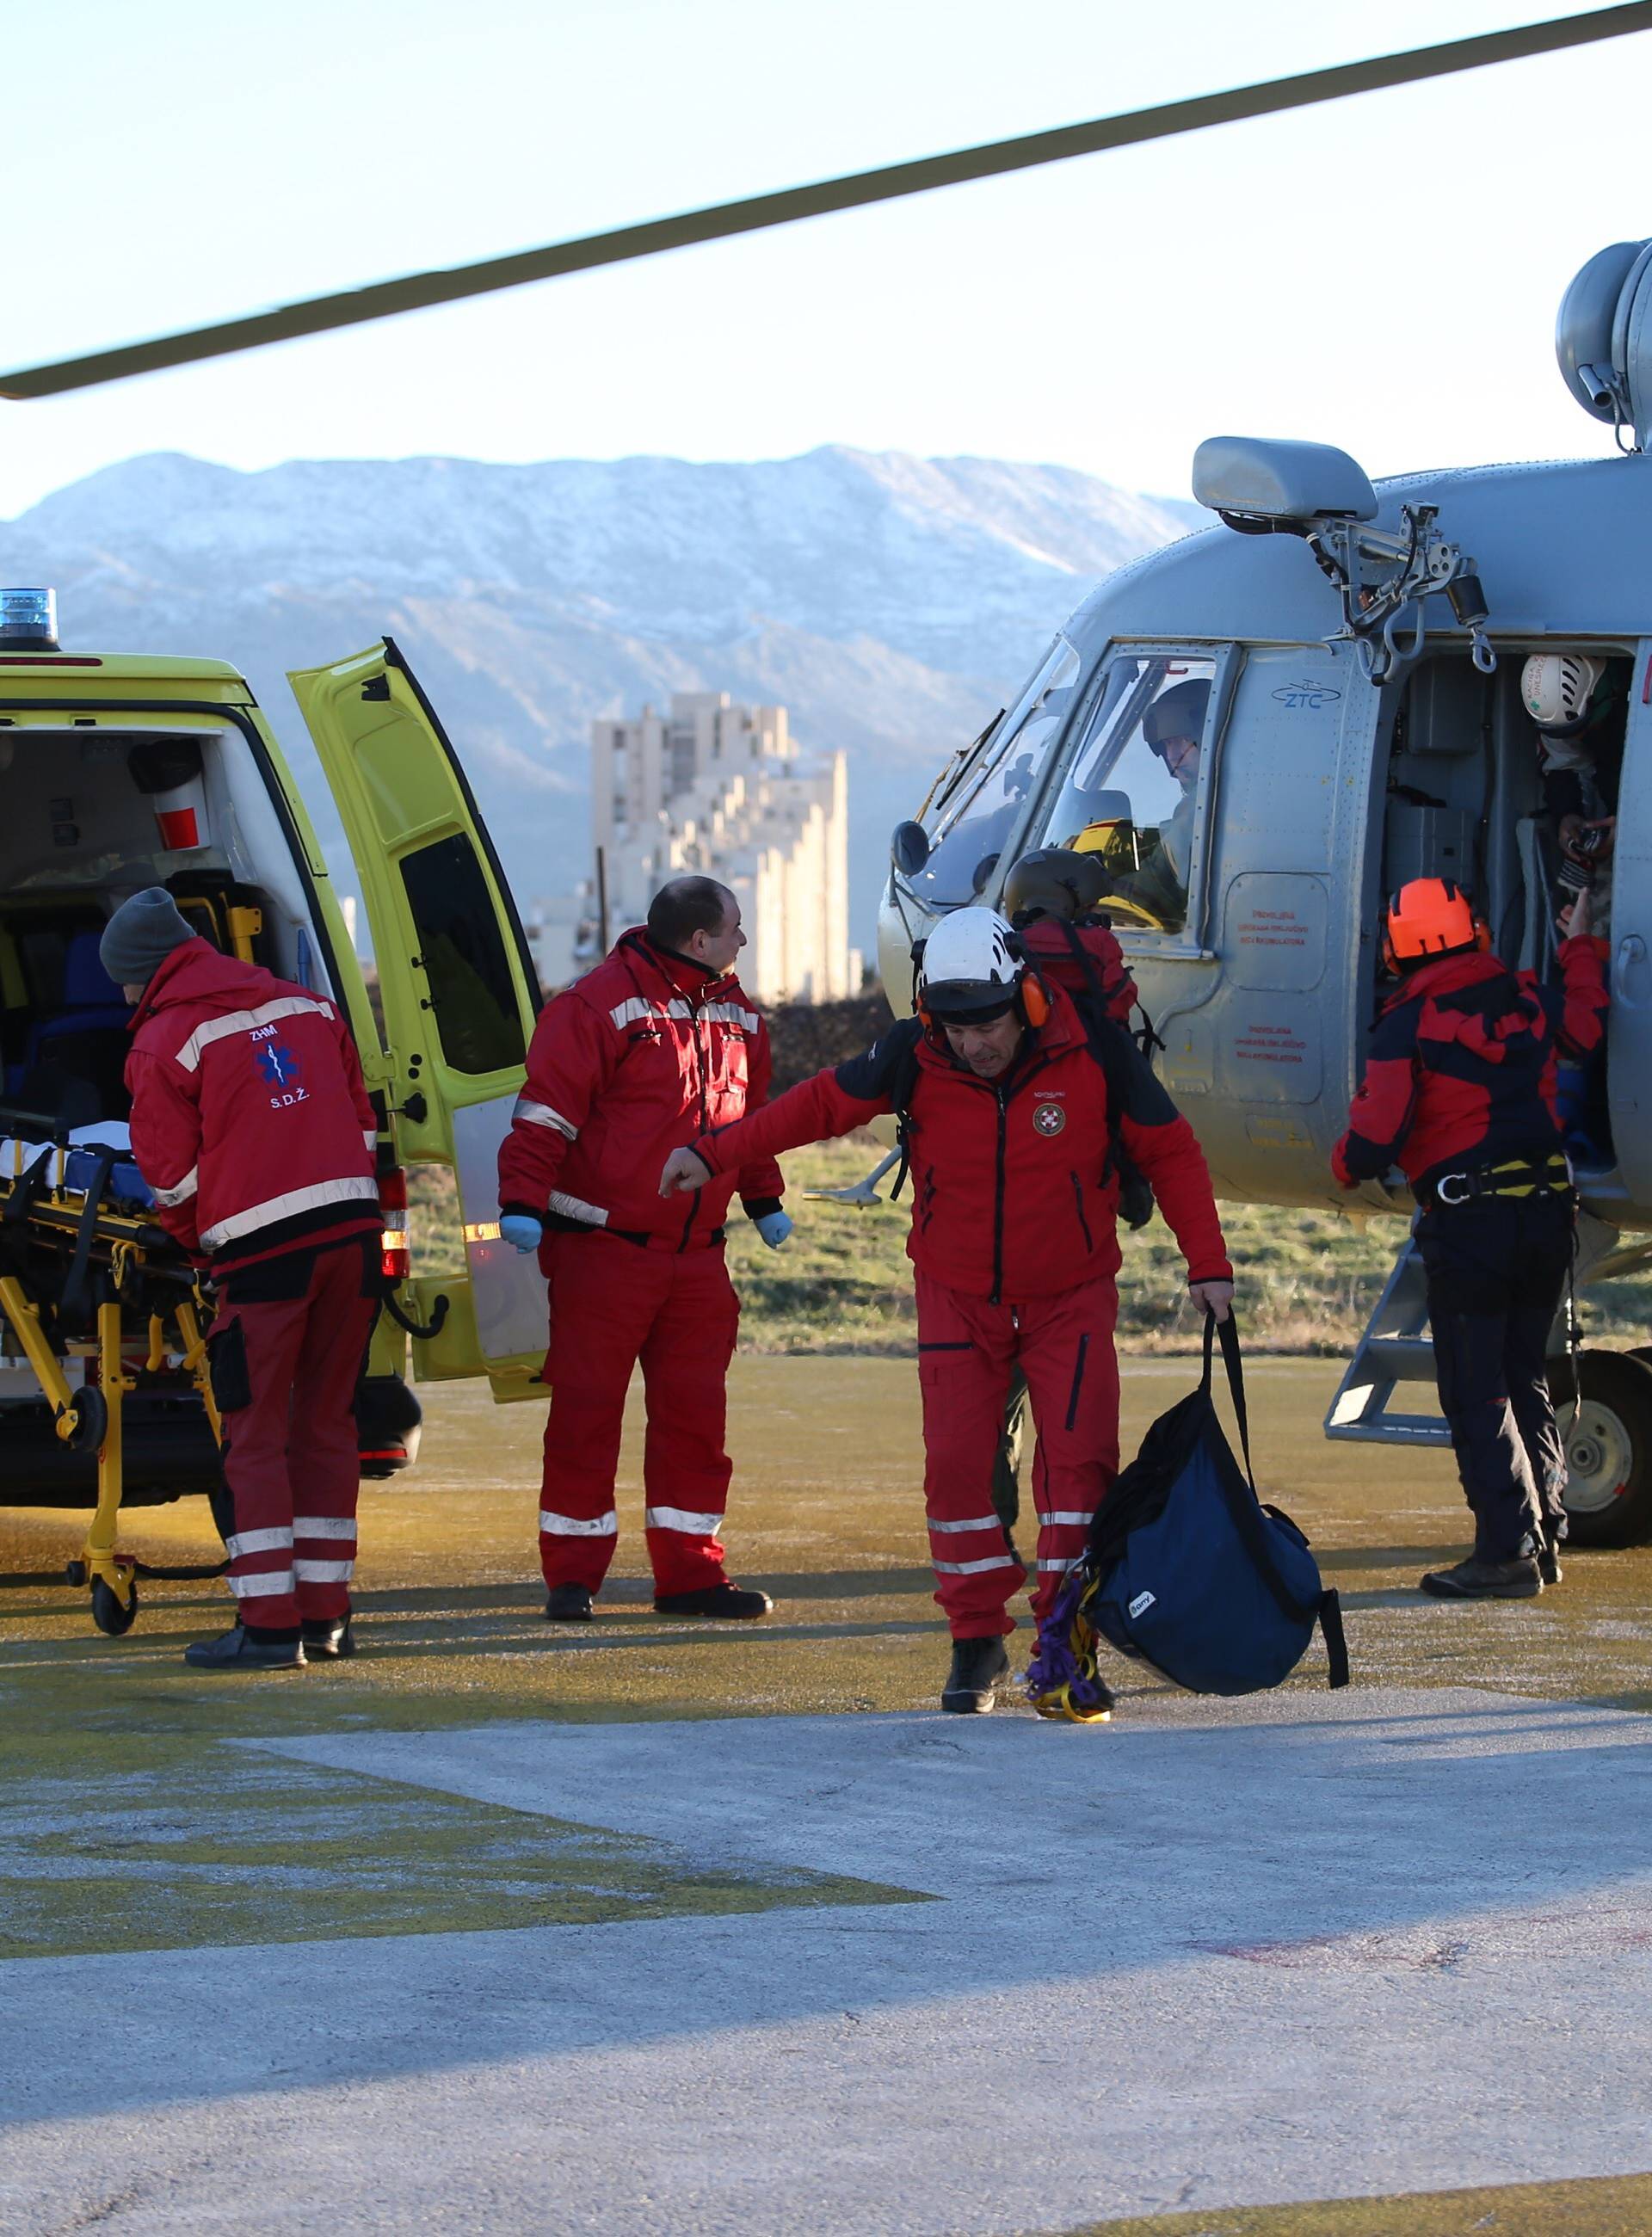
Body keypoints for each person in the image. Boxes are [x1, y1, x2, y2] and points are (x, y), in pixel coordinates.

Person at [660, 906, 1234, 1713]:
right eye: (956, 1028)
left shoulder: (1094, 1051)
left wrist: (1207, 1263)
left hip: (1069, 1299)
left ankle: (1066, 1647)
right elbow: (814, 1108)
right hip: (957, 1299)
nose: (975, 1043)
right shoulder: (915, 1054)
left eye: (989, 1024)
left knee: (1078, 1478)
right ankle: (975, 1642)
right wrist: (711, 1153)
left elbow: (1170, 1151)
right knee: (958, 1473)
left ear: (1026, 1000)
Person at [496, 876, 789, 1624]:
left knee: (696, 1419)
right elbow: (544, 1116)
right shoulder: (595, 1006)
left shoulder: (738, 1015)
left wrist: (764, 1197)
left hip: (696, 1260)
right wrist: (522, 1203)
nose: (743, 942)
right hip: (603, 1252)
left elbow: (747, 1119)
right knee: (586, 1416)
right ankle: (572, 1575)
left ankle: (692, 1576)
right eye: (735, 929)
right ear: (700, 941)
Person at [108, 887, 384, 1670]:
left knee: (255, 1437)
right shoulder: (309, 1008)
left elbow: (172, 1184)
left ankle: (268, 1626)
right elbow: (363, 1125)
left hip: (264, 1259)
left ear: (146, 972)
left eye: (125, 981)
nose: (125, 996)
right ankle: (326, 1619)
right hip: (353, 1238)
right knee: (328, 1427)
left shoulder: (164, 1043)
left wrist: (203, 1251)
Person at [1332, 877, 1610, 1601]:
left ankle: (1505, 1552)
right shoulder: (1527, 1000)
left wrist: (1339, 1162)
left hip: (1471, 1224)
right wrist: (1580, 943)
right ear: (1475, 932)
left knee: (1475, 1387)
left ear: (1397, 952)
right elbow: (1585, 1027)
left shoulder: (1406, 1024)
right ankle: (1544, 1530)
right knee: (1525, 1373)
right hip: (1550, 1212)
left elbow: (1369, 1145)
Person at [1521, 651, 1623, 941]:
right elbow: (1566, 765)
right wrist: (1568, 814)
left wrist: (1634, 827)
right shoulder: (1558, 715)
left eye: (1581, 729)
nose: (1576, 738)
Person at [1108, 677, 1209, 930]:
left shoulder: (1201, 805)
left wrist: (1095, 893)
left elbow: (1154, 890)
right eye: (1167, 744)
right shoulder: (1214, 800)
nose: (1173, 755)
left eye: (1183, 740)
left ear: (1208, 738)